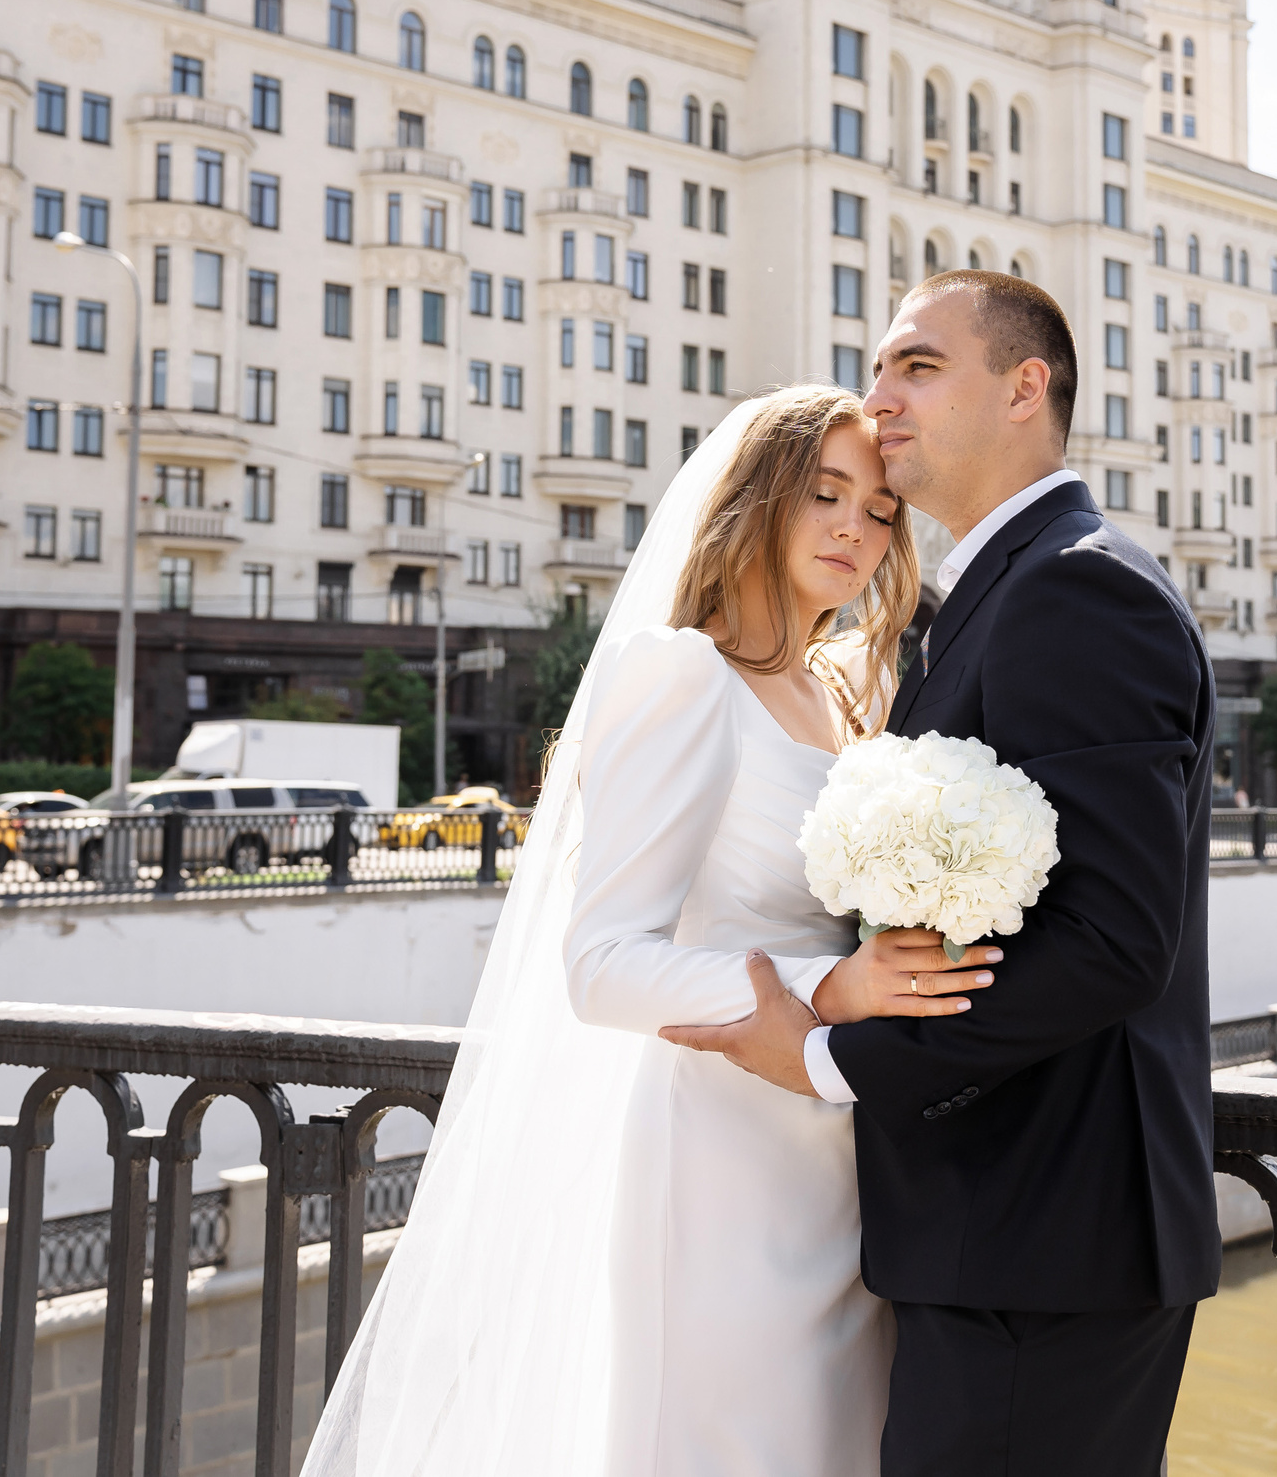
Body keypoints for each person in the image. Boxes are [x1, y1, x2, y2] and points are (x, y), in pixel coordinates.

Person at [302, 384, 999, 1477]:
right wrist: (831, 988)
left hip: (839, 1151)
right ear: (757, 499)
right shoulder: (683, 674)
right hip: (720, 1159)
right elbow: (603, 965)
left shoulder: (840, 698)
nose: (855, 531)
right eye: (824, 495)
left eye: (878, 510)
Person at [666, 270, 1220, 1476]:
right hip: (996, 1239)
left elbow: (1113, 940)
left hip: (1045, 1245)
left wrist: (829, 1057)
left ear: (1024, 389)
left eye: (916, 366)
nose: (881, 399)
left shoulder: (1076, 588)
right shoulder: (999, 592)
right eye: (877, 369)